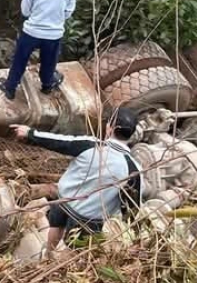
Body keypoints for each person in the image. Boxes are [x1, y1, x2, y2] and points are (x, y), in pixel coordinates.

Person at [11, 107, 143, 250]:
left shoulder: (91, 145)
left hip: (64, 200)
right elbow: (132, 208)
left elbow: (59, 142)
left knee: (56, 227)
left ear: (109, 128)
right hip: (89, 220)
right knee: (74, 248)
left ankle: (49, 250)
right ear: (131, 135)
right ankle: (55, 264)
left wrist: (30, 133)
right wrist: (134, 236)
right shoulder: (133, 169)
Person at [0, 0, 76, 101]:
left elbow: (25, 11)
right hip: (54, 34)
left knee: (20, 59)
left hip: (32, 32)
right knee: (49, 61)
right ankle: (47, 85)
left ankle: (10, 89)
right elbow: (68, 12)